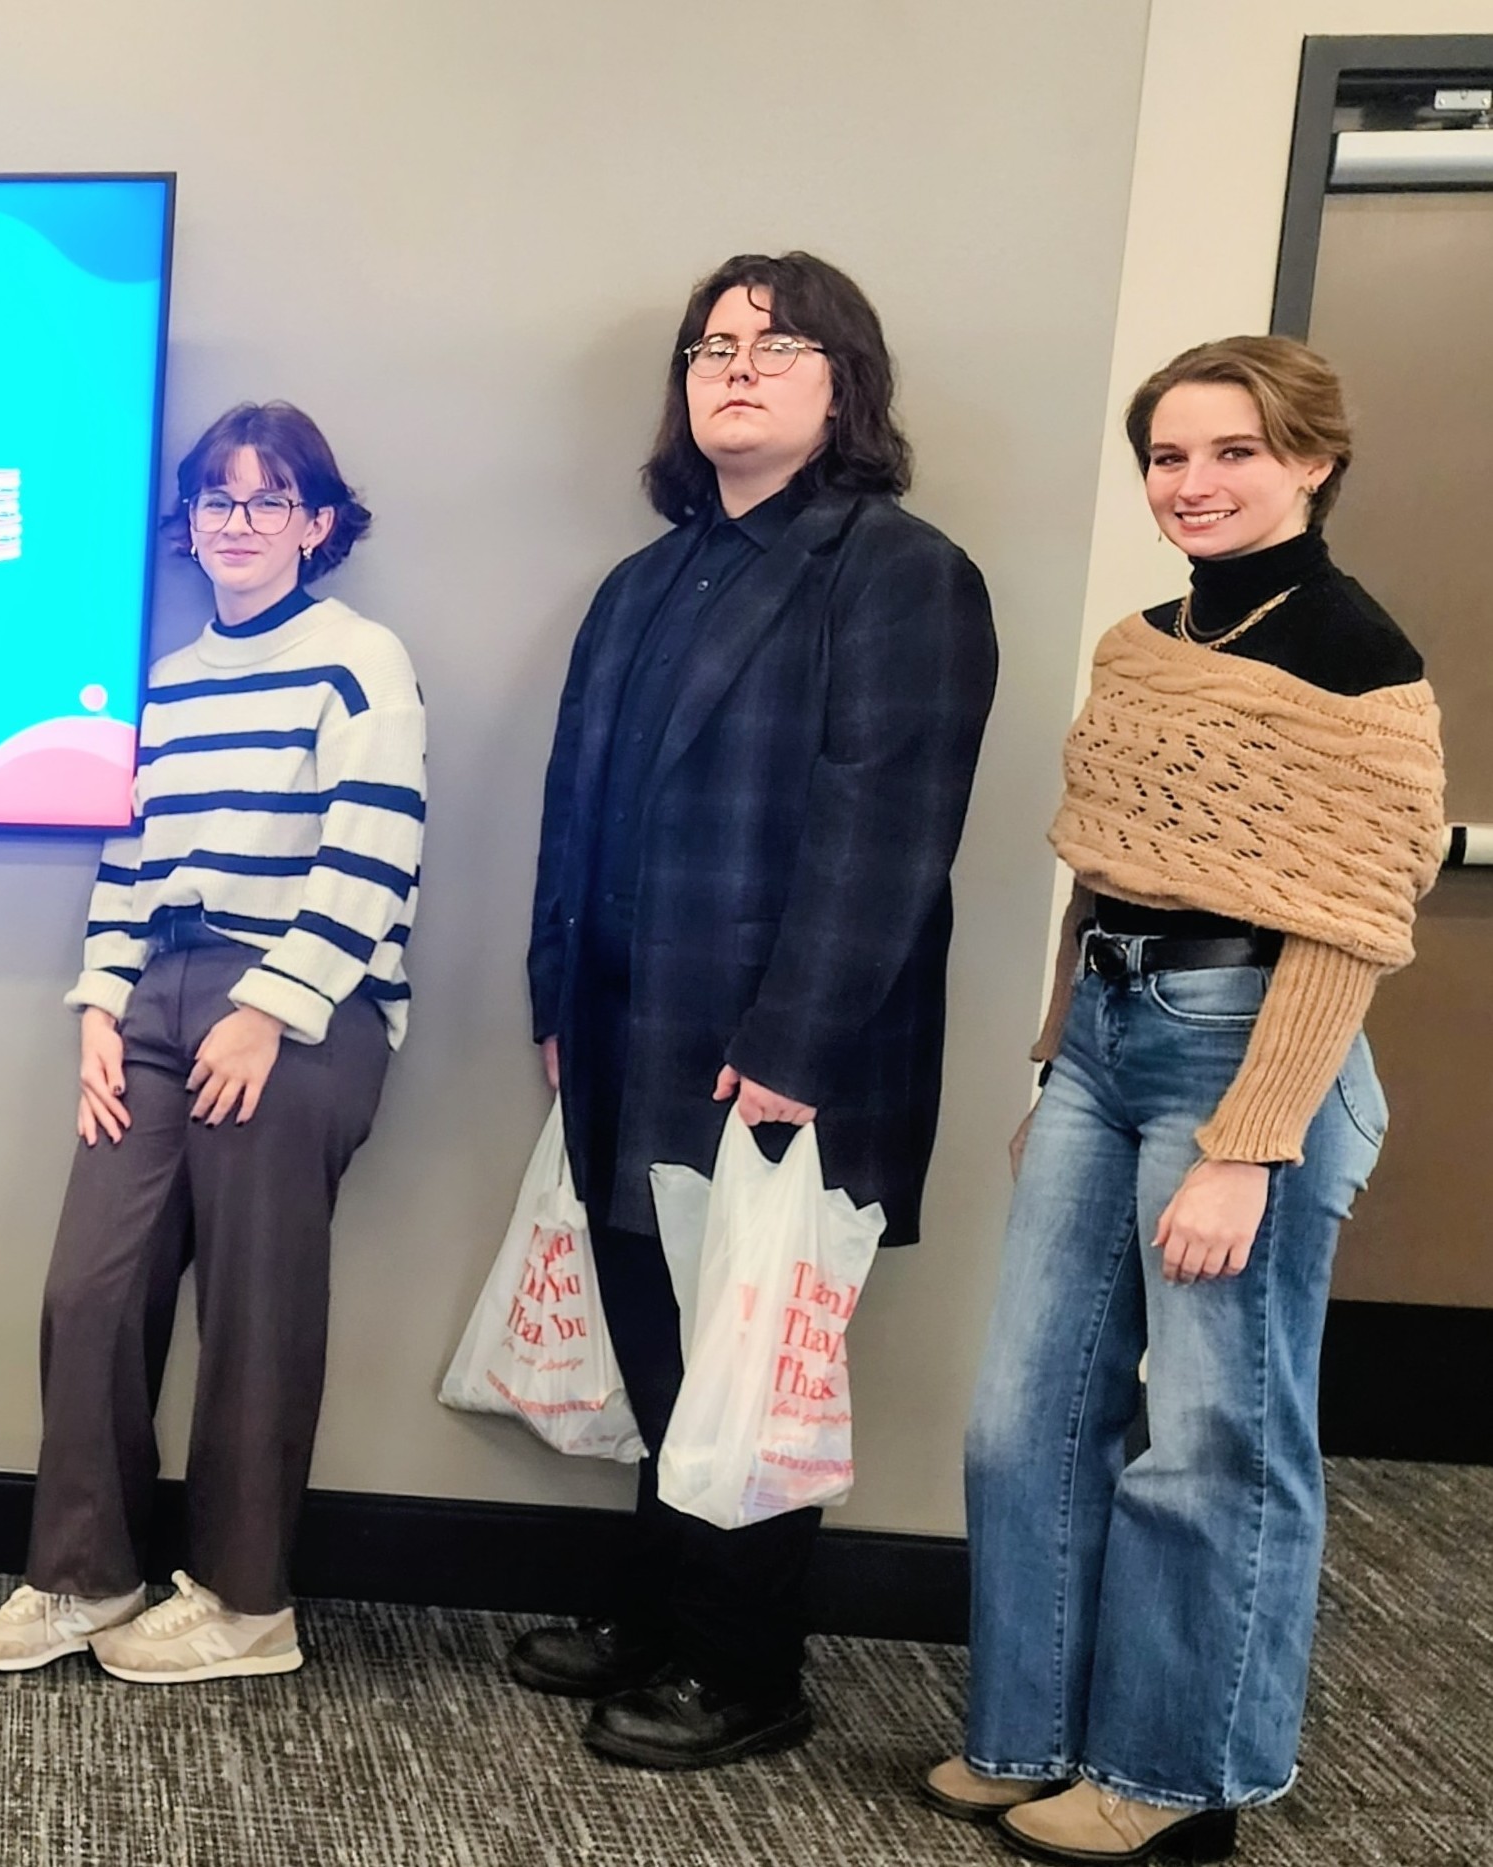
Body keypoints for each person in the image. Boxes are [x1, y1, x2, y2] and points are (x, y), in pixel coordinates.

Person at [936, 337, 1440, 1863]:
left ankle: (1180, 1772)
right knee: (1025, 1413)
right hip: (1105, 1035)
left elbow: (1348, 921)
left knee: (1213, 1435)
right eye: (1169, 455)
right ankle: (1032, 1730)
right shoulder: (1140, 642)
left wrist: (1248, 1142)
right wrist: (1054, 1057)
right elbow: (1105, 866)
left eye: (1232, 451)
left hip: (1250, 1049)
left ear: (1311, 460)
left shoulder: (1361, 661)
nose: (1195, 483)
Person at [514, 253, 996, 1767]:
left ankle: (747, 1666)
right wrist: (551, 994)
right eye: (711, 345)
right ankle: (663, 1616)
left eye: (776, 344)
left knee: (755, 1346)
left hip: (778, 1051)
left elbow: (889, 833)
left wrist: (796, 1044)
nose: (736, 366)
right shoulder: (642, 580)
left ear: (841, 380)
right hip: (620, 1026)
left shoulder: (897, 568)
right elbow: (569, 812)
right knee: (660, 1339)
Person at [0, 401, 424, 1684]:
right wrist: (99, 1004)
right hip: (161, 991)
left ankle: (243, 1601)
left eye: (268, 500)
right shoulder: (163, 681)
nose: (236, 522)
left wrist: (271, 1007)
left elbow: (374, 850)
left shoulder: (359, 660)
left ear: (316, 524)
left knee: (256, 1305)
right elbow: (128, 860)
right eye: (216, 500)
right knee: (89, 1289)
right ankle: (86, 1576)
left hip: (302, 1005)